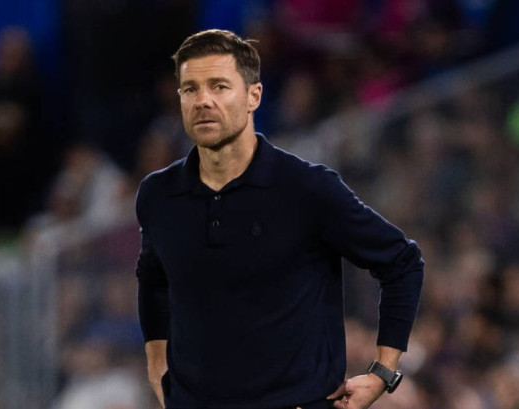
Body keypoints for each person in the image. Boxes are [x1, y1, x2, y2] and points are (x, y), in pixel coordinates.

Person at [135, 29, 424, 409]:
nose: (203, 100)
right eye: (190, 89)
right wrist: (157, 365)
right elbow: (153, 279)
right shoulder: (158, 195)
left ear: (253, 95)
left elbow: (402, 262)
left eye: (219, 86)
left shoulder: (306, 188)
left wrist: (383, 372)